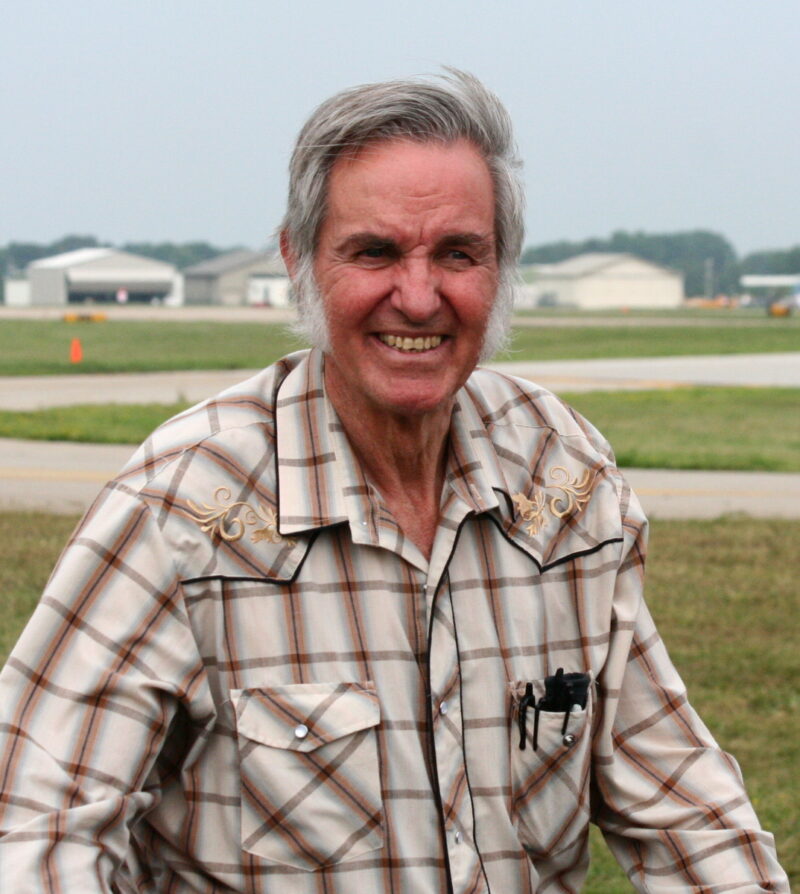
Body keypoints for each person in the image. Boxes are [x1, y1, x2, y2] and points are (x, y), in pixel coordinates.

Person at [0, 71, 788, 893]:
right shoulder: (185, 508)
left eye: (458, 254)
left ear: (501, 266)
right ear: (298, 261)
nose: (419, 298)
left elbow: (683, 805)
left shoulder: (564, 481)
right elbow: (36, 826)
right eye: (374, 252)